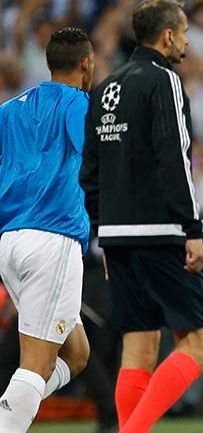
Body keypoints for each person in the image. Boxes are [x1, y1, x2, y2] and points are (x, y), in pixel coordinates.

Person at [79, 2, 203, 432]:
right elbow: (176, 159)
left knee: (138, 349)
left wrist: (102, 232)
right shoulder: (164, 81)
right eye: (185, 31)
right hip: (163, 234)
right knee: (201, 344)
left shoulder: (106, 87)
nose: (188, 40)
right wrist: (192, 229)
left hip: (117, 238)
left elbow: (90, 170)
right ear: (168, 36)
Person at [0, 26, 94, 433]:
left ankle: (13, 408)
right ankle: (9, 418)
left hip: (10, 241)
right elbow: (94, 161)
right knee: (36, 363)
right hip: (52, 238)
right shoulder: (78, 103)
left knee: (76, 352)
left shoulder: (9, 110)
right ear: (87, 64)